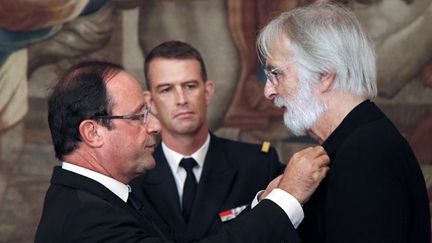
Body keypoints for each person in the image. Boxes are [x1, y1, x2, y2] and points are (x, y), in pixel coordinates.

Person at [35, 60, 330, 242]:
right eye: (139, 116)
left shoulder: (98, 199)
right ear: (93, 132)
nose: (154, 126)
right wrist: (286, 199)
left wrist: (264, 203)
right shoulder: (88, 218)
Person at [258, 2, 431, 243]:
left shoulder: (366, 152)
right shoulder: (356, 143)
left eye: (276, 74)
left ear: (323, 75)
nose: (268, 92)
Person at [130, 40, 285, 243]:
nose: (181, 99)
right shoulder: (133, 179)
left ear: (208, 92)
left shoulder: (257, 165)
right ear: (150, 102)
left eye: (190, 86)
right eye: (166, 89)